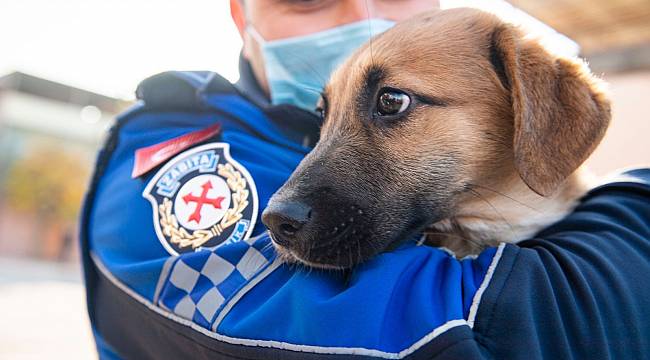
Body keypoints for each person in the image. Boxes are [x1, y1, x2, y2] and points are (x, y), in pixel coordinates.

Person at [80, 0, 650, 359]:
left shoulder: (485, 64)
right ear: (241, 14)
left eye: (392, 103)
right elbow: (490, 332)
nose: (360, 14)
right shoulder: (172, 146)